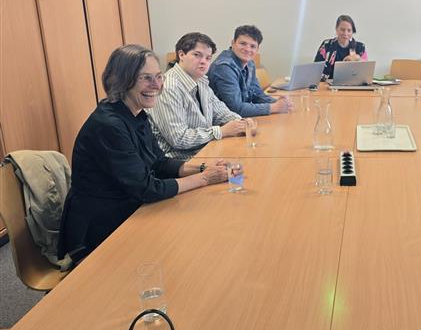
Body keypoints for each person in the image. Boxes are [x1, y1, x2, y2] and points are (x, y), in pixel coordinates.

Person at [57, 45, 234, 263]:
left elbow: (158, 163)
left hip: (130, 208)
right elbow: (147, 189)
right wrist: (205, 179)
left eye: (159, 77)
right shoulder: (109, 125)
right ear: (122, 81)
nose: (157, 85)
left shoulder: (137, 113)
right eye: (146, 78)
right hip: (101, 227)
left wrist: (202, 168)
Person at [148, 32, 247, 160]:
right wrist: (221, 131)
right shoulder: (168, 87)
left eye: (208, 58)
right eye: (197, 55)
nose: (203, 62)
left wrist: (240, 122)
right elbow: (179, 139)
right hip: (181, 161)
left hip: (206, 150)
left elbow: (221, 112)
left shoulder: (200, 80)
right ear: (181, 55)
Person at [208, 25, 293, 117]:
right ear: (233, 43)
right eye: (243, 43)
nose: (247, 49)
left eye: (252, 46)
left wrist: (279, 103)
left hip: (239, 119)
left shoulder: (249, 63)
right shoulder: (224, 67)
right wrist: (275, 107)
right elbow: (235, 109)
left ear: (257, 49)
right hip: (223, 122)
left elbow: (256, 94)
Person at [314, 14, 367, 80]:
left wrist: (358, 59)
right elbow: (315, 69)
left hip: (352, 83)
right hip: (327, 83)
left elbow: (366, 71)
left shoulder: (360, 47)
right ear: (336, 29)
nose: (345, 33)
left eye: (349, 30)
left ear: (352, 31)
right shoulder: (326, 45)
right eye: (342, 29)